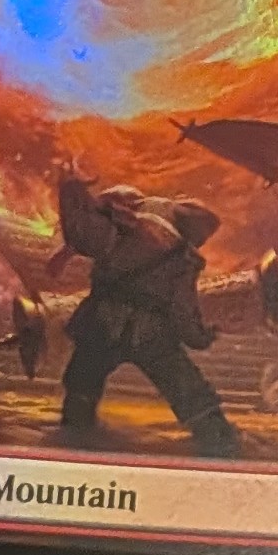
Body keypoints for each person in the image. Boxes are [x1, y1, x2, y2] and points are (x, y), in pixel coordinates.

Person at [53, 171, 240, 453]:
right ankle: (218, 439)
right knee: (188, 389)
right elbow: (182, 310)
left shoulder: (127, 226)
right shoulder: (183, 259)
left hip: (103, 322)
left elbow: (83, 234)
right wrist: (200, 337)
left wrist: (70, 190)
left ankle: (75, 436)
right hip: (151, 333)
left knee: (83, 383)